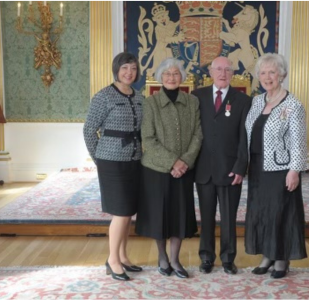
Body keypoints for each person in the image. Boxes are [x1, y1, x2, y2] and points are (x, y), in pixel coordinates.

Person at [135, 57, 202, 279]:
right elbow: (148, 138)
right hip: (156, 170)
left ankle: (175, 258)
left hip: (184, 170)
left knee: (179, 215)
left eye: (175, 73)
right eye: (167, 74)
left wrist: (185, 162)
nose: (172, 77)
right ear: (160, 78)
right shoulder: (150, 103)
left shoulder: (192, 102)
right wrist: (174, 162)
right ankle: (162, 257)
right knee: (159, 216)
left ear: (181, 77)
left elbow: (197, 135)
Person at [245, 53, 308, 279]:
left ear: (281, 75)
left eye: (272, 72)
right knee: (262, 212)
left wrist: (294, 171)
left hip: (281, 169)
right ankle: (267, 255)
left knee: (281, 212)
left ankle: (282, 259)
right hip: (258, 167)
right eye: (263, 73)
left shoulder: (293, 105)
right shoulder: (257, 101)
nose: (267, 77)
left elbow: (299, 142)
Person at [83, 52, 144, 281]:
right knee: (120, 211)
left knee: (128, 211)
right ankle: (112, 260)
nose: (129, 72)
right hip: (111, 161)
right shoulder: (104, 96)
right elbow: (89, 130)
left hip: (134, 159)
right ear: (116, 69)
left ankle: (123, 256)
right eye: (125, 67)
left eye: (133, 68)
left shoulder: (139, 96)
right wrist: (99, 158)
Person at [192, 56, 251, 275]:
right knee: (206, 216)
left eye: (227, 69)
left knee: (229, 217)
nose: (223, 73)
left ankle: (228, 258)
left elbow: (245, 138)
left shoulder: (243, 100)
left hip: (230, 169)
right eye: (219, 69)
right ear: (210, 72)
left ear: (232, 74)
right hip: (204, 169)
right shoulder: (196, 97)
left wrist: (240, 167)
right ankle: (206, 257)